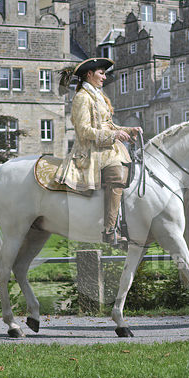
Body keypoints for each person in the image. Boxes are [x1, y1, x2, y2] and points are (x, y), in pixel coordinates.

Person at [55, 57, 142, 247]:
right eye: (101, 73)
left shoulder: (99, 96)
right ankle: (110, 231)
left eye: (104, 74)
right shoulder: (81, 98)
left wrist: (128, 130)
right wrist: (113, 136)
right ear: (89, 74)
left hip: (107, 148)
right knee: (117, 175)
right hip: (90, 150)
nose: (104, 77)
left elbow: (109, 125)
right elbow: (83, 130)